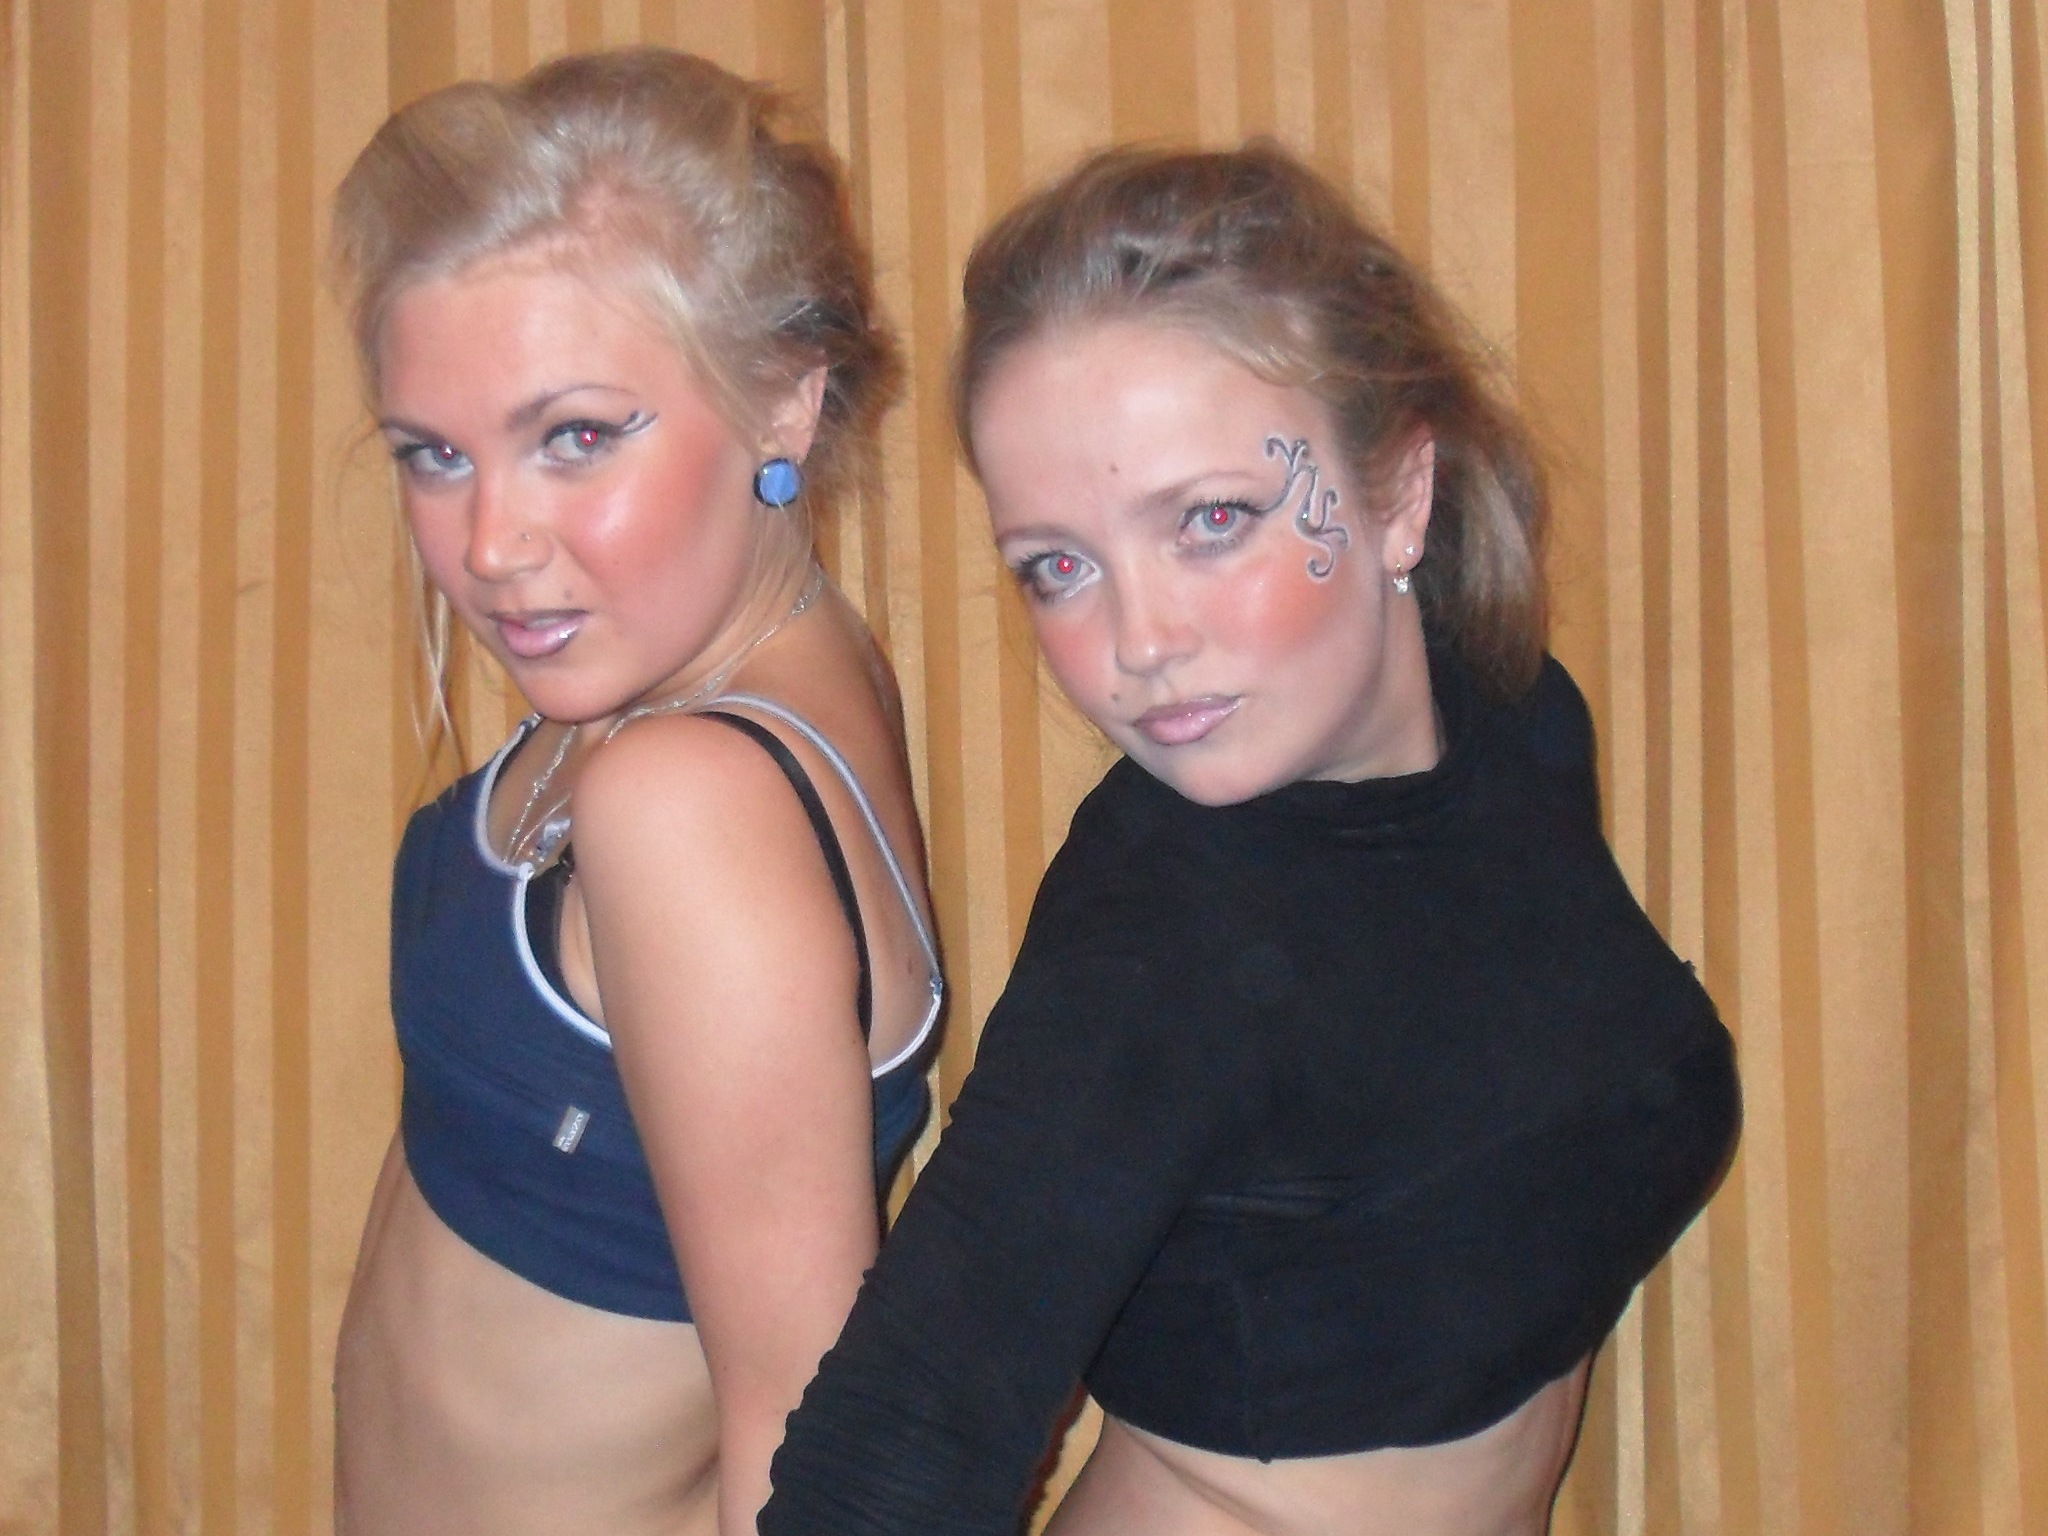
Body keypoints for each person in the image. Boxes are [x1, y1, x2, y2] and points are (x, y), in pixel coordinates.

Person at [759, 143, 1740, 1536]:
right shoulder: (1163, 932)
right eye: (1058, 567)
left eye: (1211, 521)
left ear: (1398, 498)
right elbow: (885, 1464)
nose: (1139, 642)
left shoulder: (1515, 725)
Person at [327, 48, 941, 1536]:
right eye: (434, 454)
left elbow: (810, 1451)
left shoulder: (691, 799)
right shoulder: (732, 661)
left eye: (577, 437)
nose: (489, 545)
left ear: (784, 403)